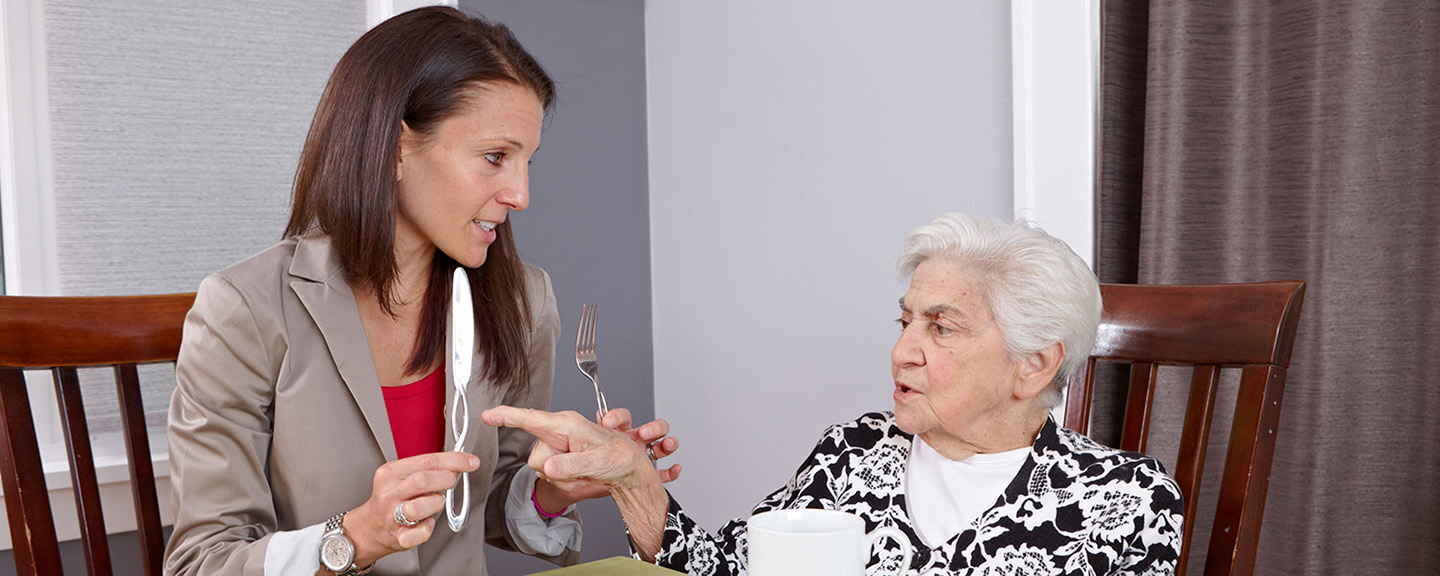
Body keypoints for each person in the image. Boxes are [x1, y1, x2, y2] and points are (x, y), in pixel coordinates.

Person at [163, 7, 677, 575]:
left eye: (526, 161)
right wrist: (355, 538)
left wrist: (551, 490)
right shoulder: (246, 309)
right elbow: (200, 562)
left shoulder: (524, 301)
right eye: (495, 157)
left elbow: (484, 504)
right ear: (397, 149)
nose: (520, 194)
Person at [484, 213, 1185, 575]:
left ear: (1034, 366)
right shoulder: (855, 451)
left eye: (942, 329)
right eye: (905, 320)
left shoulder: (1123, 500)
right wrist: (634, 479)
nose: (903, 349)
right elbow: (725, 566)